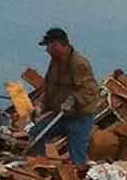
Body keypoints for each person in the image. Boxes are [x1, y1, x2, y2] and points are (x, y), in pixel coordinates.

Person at [28, 28, 99, 165]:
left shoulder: (79, 63)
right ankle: (40, 167)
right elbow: (50, 87)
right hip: (60, 115)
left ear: (57, 45)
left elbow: (90, 90)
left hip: (79, 117)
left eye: (48, 46)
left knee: (77, 157)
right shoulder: (54, 63)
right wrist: (41, 105)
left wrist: (74, 99)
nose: (47, 50)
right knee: (36, 133)